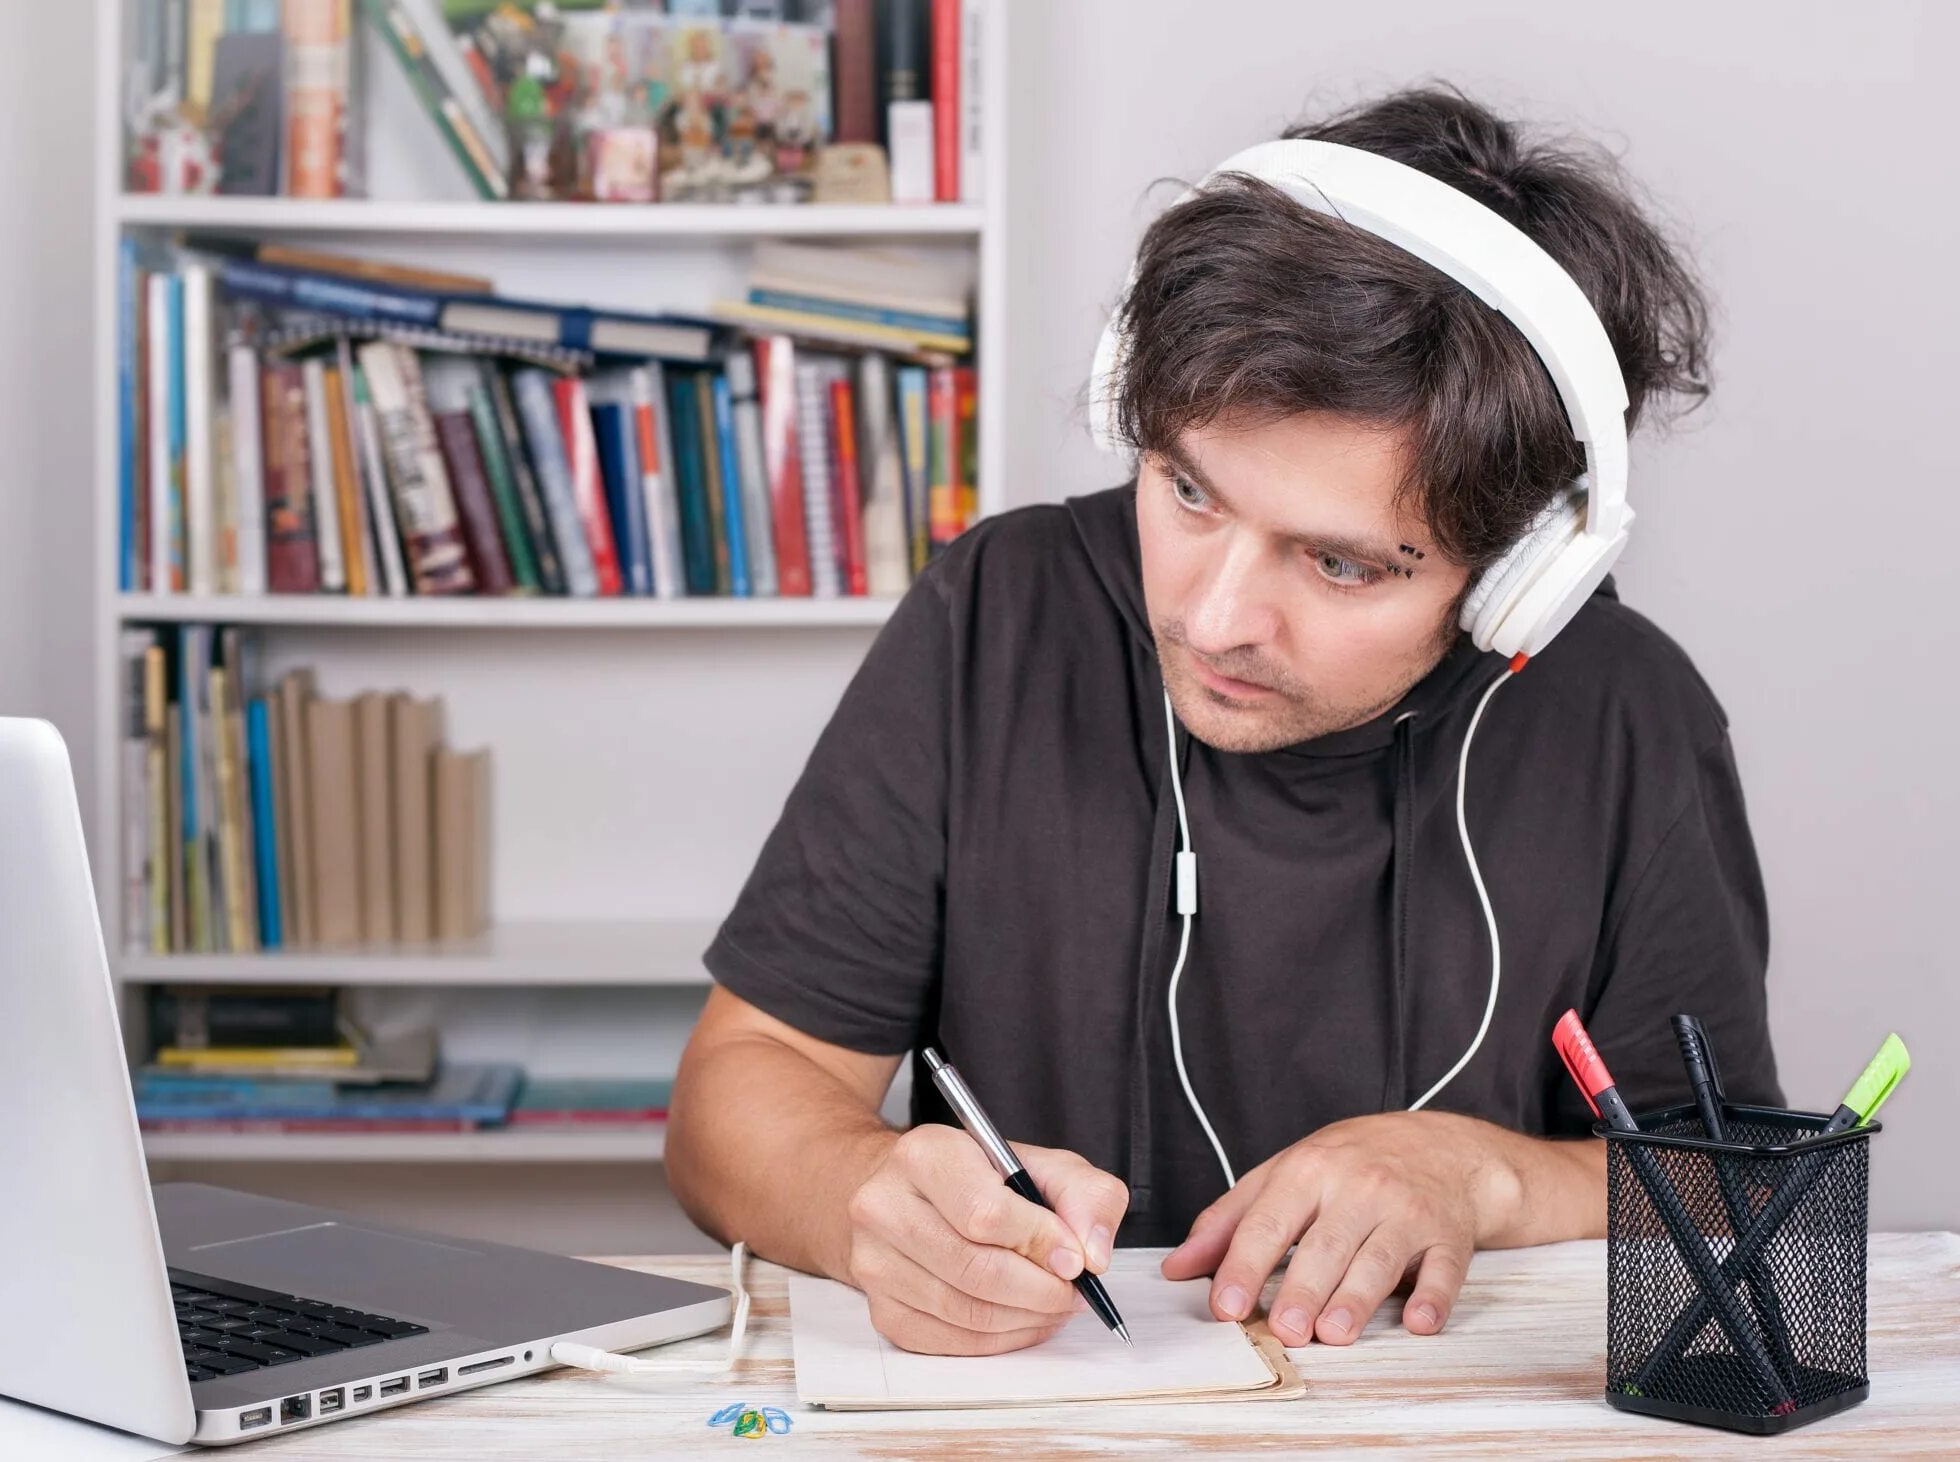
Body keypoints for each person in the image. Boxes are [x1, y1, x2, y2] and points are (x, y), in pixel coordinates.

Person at [664, 84, 1779, 1357]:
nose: (1214, 615)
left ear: (1520, 571)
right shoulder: (998, 614)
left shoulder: (1625, 713)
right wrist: (860, 1196)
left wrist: (1483, 1176)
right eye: (1187, 489)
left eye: (1340, 564)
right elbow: (734, 1089)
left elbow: (1731, 1181)